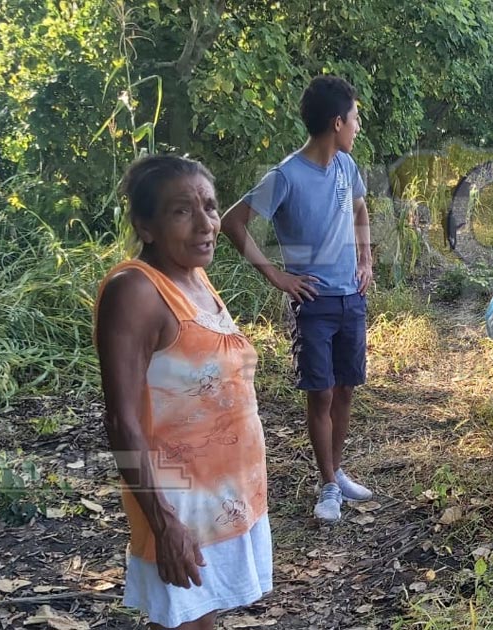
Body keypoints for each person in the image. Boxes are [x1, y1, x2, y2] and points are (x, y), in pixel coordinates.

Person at [95, 155, 271, 630]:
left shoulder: (195, 278)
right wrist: (163, 521)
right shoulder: (135, 292)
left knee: (199, 621)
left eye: (210, 207)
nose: (205, 224)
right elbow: (120, 421)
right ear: (146, 226)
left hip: (223, 496)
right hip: (177, 502)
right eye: (181, 211)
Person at [221, 75, 373, 523]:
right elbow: (233, 222)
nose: (358, 126)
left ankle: (337, 471)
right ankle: (327, 486)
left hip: (352, 298)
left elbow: (361, 209)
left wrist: (366, 259)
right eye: (355, 118)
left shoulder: (347, 167)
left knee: (346, 388)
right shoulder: (285, 175)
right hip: (315, 304)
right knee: (321, 393)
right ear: (336, 122)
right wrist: (276, 275)